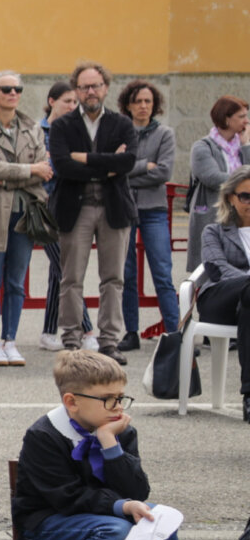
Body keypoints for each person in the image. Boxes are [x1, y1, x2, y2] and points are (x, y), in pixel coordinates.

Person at [14, 351, 185, 540]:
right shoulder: (44, 435)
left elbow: (137, 489)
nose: (118, 407)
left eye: (121, 397)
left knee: (160, 519)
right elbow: (67, 498)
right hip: (47, 525)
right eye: (108, 399)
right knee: (116, 532)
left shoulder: (119, 429)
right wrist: (121, 507)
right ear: (72, 401)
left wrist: (109, 442)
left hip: (104, 520)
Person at [51, 62, 137, 362]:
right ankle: (72, 341)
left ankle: (110, 342)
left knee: (113, 278)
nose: (91, 92)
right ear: (76, 89)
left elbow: (127, 163)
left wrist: (85, 159)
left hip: (114, 209)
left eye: (96, 85)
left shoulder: (122, 124)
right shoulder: (62, 126)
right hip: (77, 209)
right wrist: (106, 165)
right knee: (71, 278)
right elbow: (62, 165)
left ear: (106, 88)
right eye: (85, 86)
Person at [0, 71, 50, 366]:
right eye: (5, 89)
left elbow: (44, 169)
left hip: (25, 213)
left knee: (16, 281)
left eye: (17, 89)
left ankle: (11, 340)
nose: (13, 94)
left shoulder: (34, 130)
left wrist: (11, 177)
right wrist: (28, 171)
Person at [117, 78, 179, 350]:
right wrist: (144, 166)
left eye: (148, 102)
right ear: (128, 105)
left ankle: (175, 331)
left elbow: (163, 173)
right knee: (126, 273)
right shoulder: (119, 132)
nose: (143, 106)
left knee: (162, 272)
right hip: (124, 208)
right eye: (138, 101)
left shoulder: (165, 134)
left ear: (155, 105)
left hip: (154, 210)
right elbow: (114, 170)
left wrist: (128, 172)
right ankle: (130, 331)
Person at [37, 82, 93, 351]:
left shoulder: (76, 133)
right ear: (52, 101)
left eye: (76, 103)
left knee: (56, 271)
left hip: (69, 209)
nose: (72, 108)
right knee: (67, 270)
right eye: (67, 102)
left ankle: (49, 332)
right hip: (42, 211)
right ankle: (88, 329)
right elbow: (49, 168)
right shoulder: (38, 132)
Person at [192, 166, 250, 423]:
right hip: (218, 300)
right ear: (230, 198)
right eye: (245, 196)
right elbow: (217, 268)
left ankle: (249, 396)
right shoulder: (213, 231)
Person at [185, 95, 247, 276]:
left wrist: (246, 147)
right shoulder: (202, 147)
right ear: (227, 119)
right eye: (241, 116)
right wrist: (243, 185)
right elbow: (212, 177)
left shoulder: (243, 146)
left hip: (241, 217)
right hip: (212, 216)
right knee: (209, 271)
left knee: (241, 271)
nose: (247, 120)